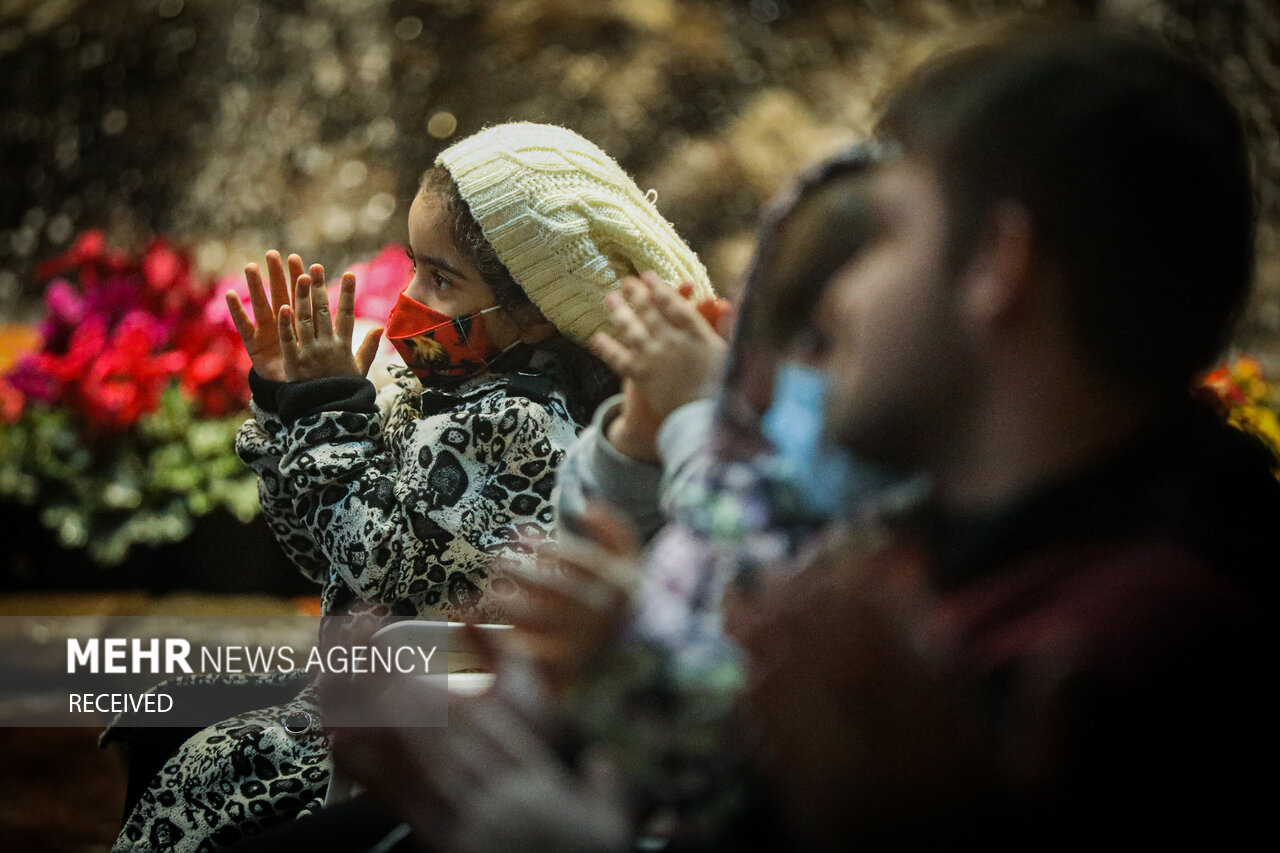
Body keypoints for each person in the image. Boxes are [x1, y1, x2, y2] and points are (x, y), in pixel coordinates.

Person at [738, 25, 1279, 848]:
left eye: (885, 235)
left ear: (999, 260)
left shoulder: (1144, 657)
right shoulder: (927, 568)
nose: (834, 300)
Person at [109, 121, 714, 853]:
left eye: (442, 277)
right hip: (374, 670)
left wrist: (327, 413)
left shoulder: (517, 423)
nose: (411, 298)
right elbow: (323, 558)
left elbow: (375, 560)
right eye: (413, 266)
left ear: (531, 310)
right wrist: (284, 403)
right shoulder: (449, 392)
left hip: (419, 712)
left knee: (210, 768)